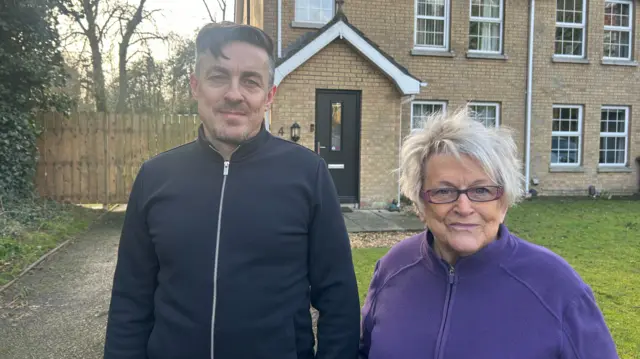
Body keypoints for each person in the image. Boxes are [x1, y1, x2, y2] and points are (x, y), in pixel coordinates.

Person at [104, 22, 361, 359]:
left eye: (251, 81)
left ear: (269, 95)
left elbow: (339, 300)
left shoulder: (308, 175)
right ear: (196, 86)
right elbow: (130, 300)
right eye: (218, 77)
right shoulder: (155, 177)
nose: (234, 94)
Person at [358, 108, 619, 358]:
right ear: (420, 204)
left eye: (481, 191)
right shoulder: (394, 267)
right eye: (443, 191)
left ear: (503, 202)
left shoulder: (556, 286)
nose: (463, 207)